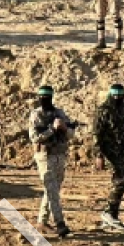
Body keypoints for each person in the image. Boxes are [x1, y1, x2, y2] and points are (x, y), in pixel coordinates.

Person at [29, 86, 75, 238]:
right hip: (44, 156)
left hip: (59, 155)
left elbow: (71, 135)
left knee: (52, 190)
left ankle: (42, 221)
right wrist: (52, 129)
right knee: (52, 190)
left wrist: (65, 128)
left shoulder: (59, 113)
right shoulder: (36, 114)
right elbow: (35, 137)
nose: (45, 99)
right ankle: (60, 223)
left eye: (47, 96)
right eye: (42, 96)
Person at [95, 83, 124, 231]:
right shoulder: (103, 110)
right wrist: (99, 155)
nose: (118, 98)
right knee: (121, 180)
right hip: (111, 152)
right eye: (115, 95)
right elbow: (97, 134)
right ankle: (109, 212)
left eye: (120, 95)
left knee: (122, 180)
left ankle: (111, 217)